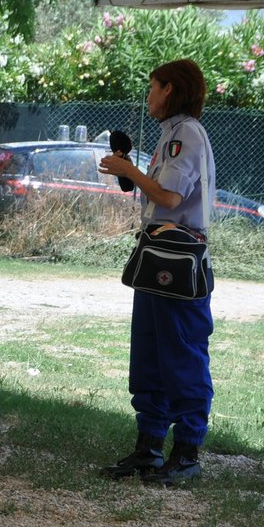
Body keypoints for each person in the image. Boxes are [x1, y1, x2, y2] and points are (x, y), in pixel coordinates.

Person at [98, 57, 216, 487]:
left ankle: (187, 452)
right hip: (157, 250)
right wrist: (133, 174)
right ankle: (148, 447)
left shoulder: (186, 134)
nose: (148, 95)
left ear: (169, 89)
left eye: (152, 87)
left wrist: (129, 170)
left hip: (178, 254)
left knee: (181, 352)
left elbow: (169, 197)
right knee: (149, 353)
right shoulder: (172, 134)